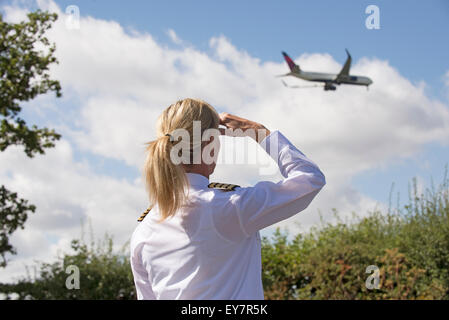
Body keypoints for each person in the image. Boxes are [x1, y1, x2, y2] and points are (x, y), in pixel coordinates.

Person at [130, 98, 326, 299]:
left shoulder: (143, 230)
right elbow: (310, 179)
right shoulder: (228, 208)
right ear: (209, 146)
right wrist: (258, 132)